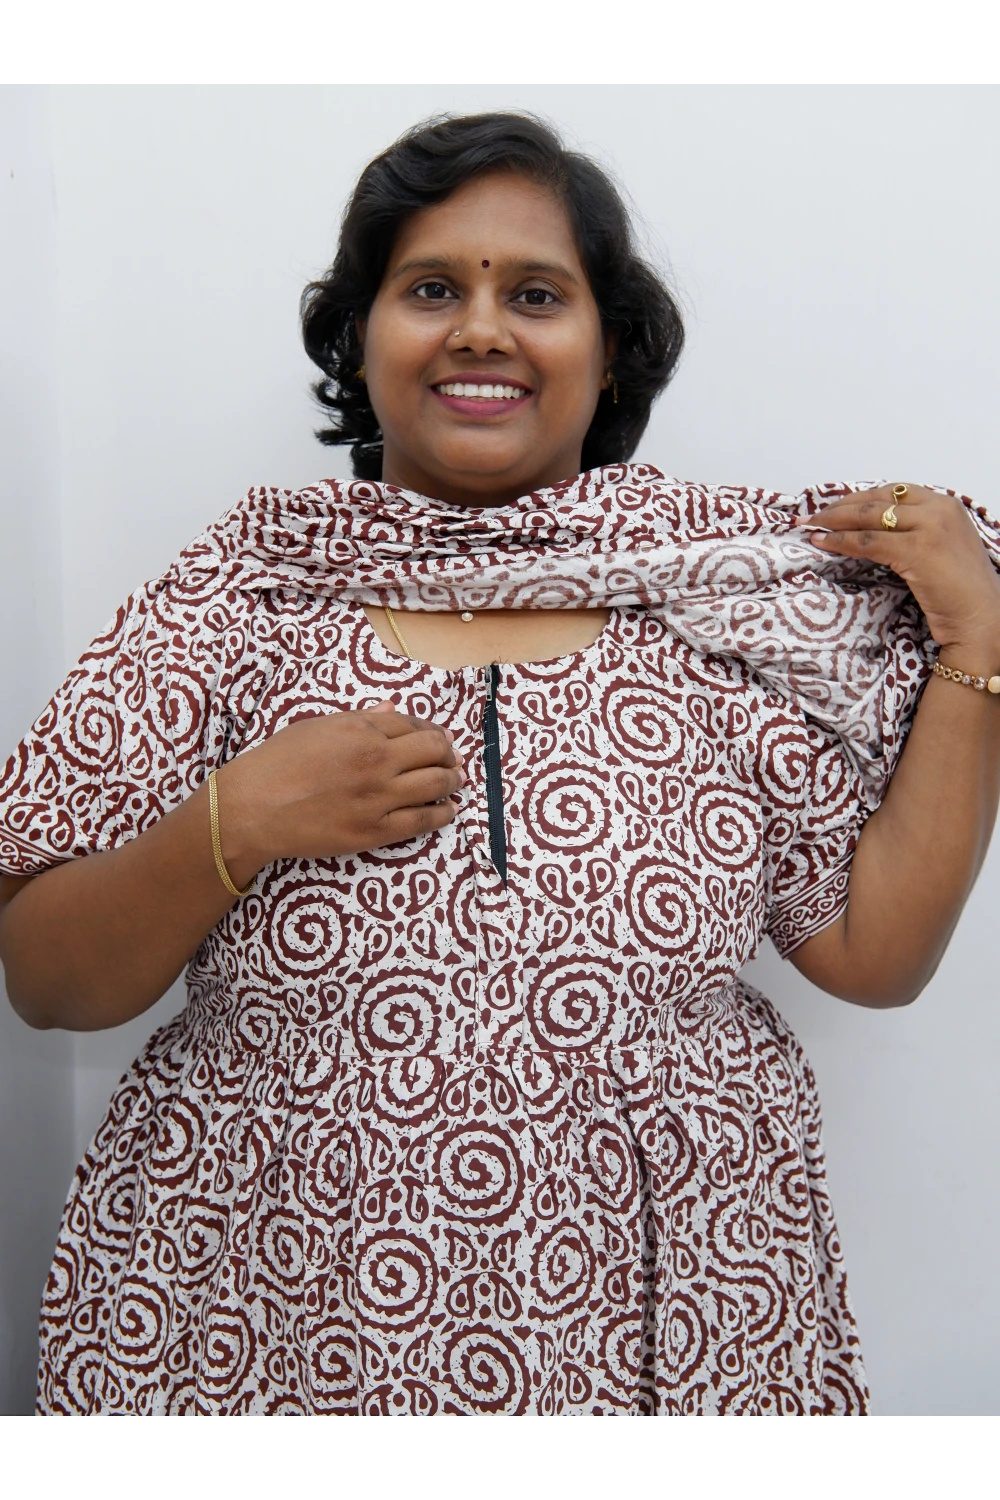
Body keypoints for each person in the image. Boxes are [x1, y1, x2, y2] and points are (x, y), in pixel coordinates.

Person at [2, 113, 999, 1417]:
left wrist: (979, 643)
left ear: (609, 349)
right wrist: (233, 823)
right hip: (273, 1314)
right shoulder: (232, 604)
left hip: (661, 1319)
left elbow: (875, 955)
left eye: (536, 294)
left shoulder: (721, 620)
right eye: (431, 290)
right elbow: (44, 981)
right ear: (361, 339)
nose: (481, 329)